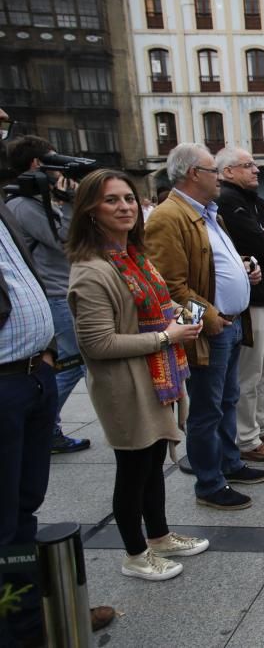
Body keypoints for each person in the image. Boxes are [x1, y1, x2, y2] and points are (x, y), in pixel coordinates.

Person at [66, 169, 209, 582]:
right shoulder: (92, 270)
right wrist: (167, 336)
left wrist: (182, 321)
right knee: (133, 469)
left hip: (154, 375)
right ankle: (134, 553)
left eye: (129, 198)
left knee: (152, 460)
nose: (125, 206)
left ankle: (160, 536)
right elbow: (98, 344)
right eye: (112, 200)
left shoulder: (134, 257)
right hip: (125, 385)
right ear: (90, 211)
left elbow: (155, 312)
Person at [0, 156, 118, 648]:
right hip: (6, 381)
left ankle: (31, 612)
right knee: (4, 518)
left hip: (32, 373)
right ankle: (19, 629)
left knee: (24, 508)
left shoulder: (6, 210)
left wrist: (45, 352)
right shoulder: (19, 205)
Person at [144, 143, 264, 510]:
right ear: (192, 174)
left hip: (228, 323)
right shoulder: (169, 217)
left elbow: (215, 260)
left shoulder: (208, 212)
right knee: (206, 408)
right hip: (207, 328)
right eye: (213, 170)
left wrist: (247, 268)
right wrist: (209, 318)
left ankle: (229, 463)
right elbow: (170, 285)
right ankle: (209, 482)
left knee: (227, 400)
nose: (218, 177)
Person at [4, 135, 90, 454]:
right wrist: (69, 204)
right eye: (54, 160)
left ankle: (46, 426)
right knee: (72, 364)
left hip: (60, 291)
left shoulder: (35, 201)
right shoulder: (22, 206)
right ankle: (47, 427)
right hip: (56, 295)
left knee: (69, 363)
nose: (60, 167)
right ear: (37, 164)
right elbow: (68, 241)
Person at [215, 147, 264, 461]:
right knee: (250, 370)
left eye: (254, 164)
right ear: (228, 171)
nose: (255, 170)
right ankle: (247, 438)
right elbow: (258, 243)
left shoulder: (257, 202)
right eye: (247, 165)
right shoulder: (229, 201)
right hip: (251, 294)